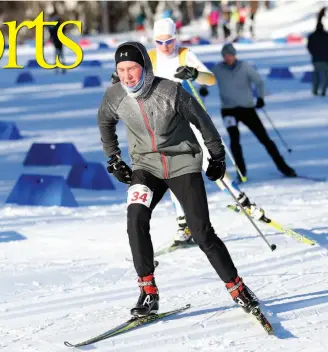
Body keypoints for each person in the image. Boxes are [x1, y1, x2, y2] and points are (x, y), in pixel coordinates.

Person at [99, 41, 260, 317]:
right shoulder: (115, 95)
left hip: (182, 164)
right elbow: (105, 121)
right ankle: (148, 292)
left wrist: (217, 156)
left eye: (132, 68)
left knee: (201, 232)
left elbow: (202, 120)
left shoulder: (169, 91)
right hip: (146, 167)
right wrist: (113, 158)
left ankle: (237, 287)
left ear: (145, 67)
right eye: (121, 69)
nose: (127, 76)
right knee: (135, 218)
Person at [146, 17, 266, 247]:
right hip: (165, 123)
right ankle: (184, 225)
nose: (164, 46)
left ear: (175, 38)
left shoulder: (184, 54)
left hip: (191, 119)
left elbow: (210, 79)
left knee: (209, 162)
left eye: (169, 41)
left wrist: (192, 73)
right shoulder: (150, 58)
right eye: (159, 42)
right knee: (173, 172)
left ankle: (240, 200)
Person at [208, 43, 297, 180]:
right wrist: (203, 88)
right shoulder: (218, 69)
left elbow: (259, 82)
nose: (228, 58)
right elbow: (207, 80)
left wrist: (260, 98)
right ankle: (241, 171)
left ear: (235, 55)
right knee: (234, 141)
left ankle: (283, 167)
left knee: (264, 139)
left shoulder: (244, 67)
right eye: (225, 56)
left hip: (247, 109)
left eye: (230, 55)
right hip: (228, 110)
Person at [307, 22, 328, 96]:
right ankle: (323, 91)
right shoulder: (326, 35)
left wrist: (313, 53)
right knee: (325, 76)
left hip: (315, 59)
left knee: (316, 75)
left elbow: (309, 47)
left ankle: (315, 90)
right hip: (325, 59)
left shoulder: (312, 36)